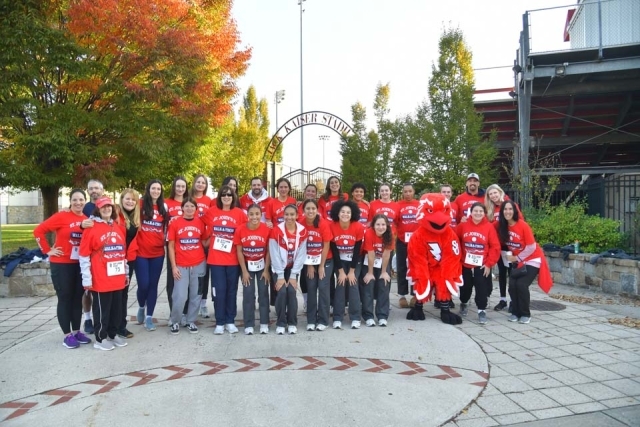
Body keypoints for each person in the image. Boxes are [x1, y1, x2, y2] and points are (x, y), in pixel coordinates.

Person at [33, 189, 94, 349]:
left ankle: (76, 331)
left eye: (81, 200)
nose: (78, 203)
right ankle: (67, 335)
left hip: (78, 265)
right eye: (75, 200)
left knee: (77, 299)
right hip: (61, 264)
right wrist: (47, 250)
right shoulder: (62, 216)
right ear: (70, 201)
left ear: (85, 201)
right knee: (65, 298)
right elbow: (38, 231)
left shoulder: (87, 219)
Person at [79, 197, 129, 351]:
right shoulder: (91, 227)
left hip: (117, 276)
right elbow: (84, 254)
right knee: (102, 310)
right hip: (101, 277)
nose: (107, 209)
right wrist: (86, 278)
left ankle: (113, 335)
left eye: (109, 207)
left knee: (116, 308)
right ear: (98, 210)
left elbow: (122, 252)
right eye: (103, 207)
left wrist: (126, 273)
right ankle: (100, 338)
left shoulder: (118, 227)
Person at [498, 200, 552, 324]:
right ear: (502, 212)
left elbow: (531, 247)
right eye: (505, 209)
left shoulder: (522, 225)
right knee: (512, 285)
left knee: (521, 284)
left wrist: (518, 258)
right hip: (518, 261)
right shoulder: (502, 226)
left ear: (515, 211)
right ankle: (515, 312)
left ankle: (525, 314)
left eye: (510, 209)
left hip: (532, 259)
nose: (508, 212)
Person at [203, 185, 246, 334]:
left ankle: (230, 320)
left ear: (233, 197)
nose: (226, 197)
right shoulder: (211, 212)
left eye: (229, 195)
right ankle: (219, 322)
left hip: (233, 259)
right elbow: (201, 225)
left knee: (231, 291)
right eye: (223, 195)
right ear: (219, 197)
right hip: (216, 260)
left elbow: (245, 231)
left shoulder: (239, 213)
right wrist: (206, 240)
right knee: (218, 291)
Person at [167, 197, 209, 335]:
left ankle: (191, 321)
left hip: (198, 263)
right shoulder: (175, 223)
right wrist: (173, 266)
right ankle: (175, 321)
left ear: (196, 209)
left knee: (196, 295)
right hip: (181, 265)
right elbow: (171, 245)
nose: (190, 208)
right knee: (179, 295)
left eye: (192, 206)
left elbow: (204, 242)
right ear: (182, 208)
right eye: (187, 206)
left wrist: (216, 235)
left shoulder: (200, 223)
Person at [456, 202, 500, 324]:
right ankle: (464, 303)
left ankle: (481, 310)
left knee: (482, 288)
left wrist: (489, 263)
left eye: (481, 211)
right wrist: (458, 258)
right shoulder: (463, 226)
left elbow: (495, 246)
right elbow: (454, 240)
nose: (478, 213)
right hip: (465, 263)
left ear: (484, 213)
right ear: (471, 212)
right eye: (475, 211)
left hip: (482, 264)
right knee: (465, 287)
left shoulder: (489, 227)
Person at [269, 204, 307, 335]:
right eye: (287, 214)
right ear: (283, 215)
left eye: (292, 214)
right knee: (281, 292)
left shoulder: (302, 231)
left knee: (291, 291)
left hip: (293, 269)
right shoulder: (276, 231)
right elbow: (274, 254)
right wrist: (280, 276)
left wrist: (293, 275)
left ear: (297, 216)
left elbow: (301, 255)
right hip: (278, 268)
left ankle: (292, 322)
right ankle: (281, 322)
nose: (289, 217)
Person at [135, 179, 167, 331]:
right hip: (141, 251)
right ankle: (141, 306)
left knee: (153, 285)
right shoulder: (140, 204)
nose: (156, 191)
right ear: (148, 189)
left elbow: (166, 228)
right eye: (153, 188)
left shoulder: (163, 207)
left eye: (158, 189)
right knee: (143, 284)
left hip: (158, 253)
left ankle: (149, 317)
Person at [235, 204, 271, 335]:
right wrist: (244, 271)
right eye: (251, 214)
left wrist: (267, 270)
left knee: (263, 294)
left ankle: (264, 323)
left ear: (261, 215)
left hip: (262, 266)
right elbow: (239, 251)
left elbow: (268, 251)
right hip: (247, 266)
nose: (254, 216)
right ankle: (249, 324)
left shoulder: (266, 229)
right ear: (247, 215)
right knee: (248, 294)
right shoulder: (240, 229)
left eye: (257, 214)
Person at [329, 200, 364, 329]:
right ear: (337, 213)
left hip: (355, 260)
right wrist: (341, 272)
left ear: (352, 213)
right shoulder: (332, 226)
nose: (345, 214)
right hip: (339, 260)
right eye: (342, 211)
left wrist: (351, 271)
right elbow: (334, 250)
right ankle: (338, 317)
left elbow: (357, 250)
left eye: (348, 212)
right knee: (341, 283)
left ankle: (355, 317)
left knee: (353, 283)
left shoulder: (358, 226)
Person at [300, 199, 333, 331]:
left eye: (313, 208)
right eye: (308, 208)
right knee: (311, 288)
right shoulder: (301, 224)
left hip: (325, 260)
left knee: (323, 287)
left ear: (317, 210)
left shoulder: (323, 223)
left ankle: (323, 320)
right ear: (303, 210)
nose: (311, 211)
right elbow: (302, 246)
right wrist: (309, 265)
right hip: (309, 261)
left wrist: (320, 266)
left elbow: (326, 245)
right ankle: (311, 320)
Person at [361, 214, 394, 327]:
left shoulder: (390, 235)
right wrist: (370, 273)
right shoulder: (369, 233)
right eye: (378, 224)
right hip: (368, 261)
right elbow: (371, 255)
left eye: (383, 224)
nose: (381, 227)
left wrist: (384, 272)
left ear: (387, 225)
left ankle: (382, 316)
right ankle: (368, 316)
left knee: (384, 284)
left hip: (382, 262)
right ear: (373, 225)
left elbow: (386, 255)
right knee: (368, 285)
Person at [116, 188, 140, 339]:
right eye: (127, 199)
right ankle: (110, 325)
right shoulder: (115, 214)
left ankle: (121, 326)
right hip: (114, 259)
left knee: (123, 293)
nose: (130, 201)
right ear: (122, 199)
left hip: (128, 260)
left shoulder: (135, 217)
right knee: (114, 293)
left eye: (133, 199)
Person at [81, 179, 104, 333]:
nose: (94, 191)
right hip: (86, 252)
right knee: (87, 290)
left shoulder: (108, 206)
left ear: (102, 190)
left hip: (104, 254)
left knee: (101, 289)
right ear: (88, 191)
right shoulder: (83, 208)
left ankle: (101, 319)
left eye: (96, 188)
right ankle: (88, 318)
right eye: (91, 189)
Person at [485, 183, 512, 312]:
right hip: (499, 246)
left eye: (495, 193)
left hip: (511, 246)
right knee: (502, 273)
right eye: (491, 194)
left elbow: (519, 221)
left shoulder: (509, 205)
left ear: (500, 192)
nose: (493, 196)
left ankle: (513, 300)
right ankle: (503, 300)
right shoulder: (490, 209)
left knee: (513, 273)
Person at [190, 174, 212, 317]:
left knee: (205, 274)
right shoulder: (189, 198)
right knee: (191, 275)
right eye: (198, 182)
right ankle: (192, 303)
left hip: (206, 240)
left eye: (203, 183)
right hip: (192, 240)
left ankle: (203, 303)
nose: (200, 185)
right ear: (194, 184)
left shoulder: (209, 201)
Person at [165, 176, 188, 316]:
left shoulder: (189, 203)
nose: (180, 189)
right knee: (173, 279)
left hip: (188, 248)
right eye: (178, 186)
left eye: (183, 186)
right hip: (172, 246)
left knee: (186, 281)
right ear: (174, 187)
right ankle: (173, 311)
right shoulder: (167, 203)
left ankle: (185, 312)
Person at [394, 183, 419, 308]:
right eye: (405, 191)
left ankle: (415, 294)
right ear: (402, 193)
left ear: (413, 192)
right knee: (402, 267)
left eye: (410, 191)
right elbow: (395, 222)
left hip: (417, 242)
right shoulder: (398, 205)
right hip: (401, 241)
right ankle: (402, 295)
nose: (408, 194)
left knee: (415, 267)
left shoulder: (419, 204)